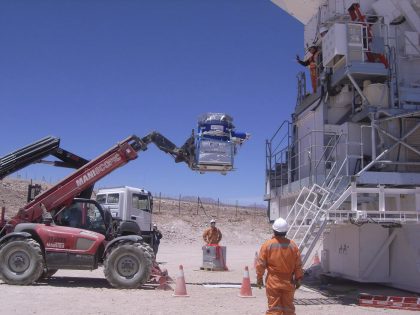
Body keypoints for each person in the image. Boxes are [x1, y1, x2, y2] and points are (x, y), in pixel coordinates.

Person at [256, 217, 303, 315]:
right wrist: (298, 278)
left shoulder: (267, 245)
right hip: (288, 282)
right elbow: (298, 265)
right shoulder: (293, 245)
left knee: (274, 309)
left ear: (274, 230)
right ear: (286, 231)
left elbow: (261, 264)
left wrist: (259, 278)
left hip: (273, 282)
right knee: (288, 309)